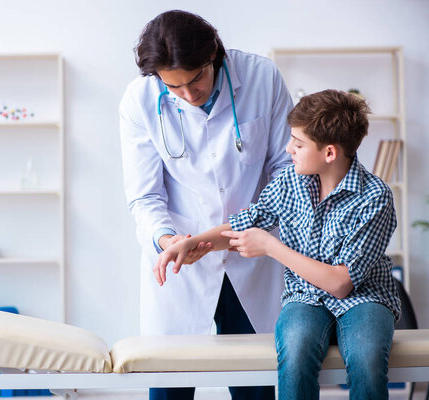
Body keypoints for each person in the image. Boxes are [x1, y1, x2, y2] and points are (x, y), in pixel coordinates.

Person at [156, 89, 402, 400]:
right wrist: (191, 243)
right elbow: (243, 225)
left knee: (366, 357)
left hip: (364, 297)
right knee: (295, 353)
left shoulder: (374, 196)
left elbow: (341, 284)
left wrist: (272, 247)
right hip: (303, 297)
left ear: (329, 153)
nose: (288, 149)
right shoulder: (290, 183)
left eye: (298, 144)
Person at [119, 9, 293, 400]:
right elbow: (145, 195)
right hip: (180, 263)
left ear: (214, 53)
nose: (188, 94)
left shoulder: (261, 78)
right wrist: (166, 241)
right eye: (173, 87)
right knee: (170, 386)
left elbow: (287, 172)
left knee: (257, 386)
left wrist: (230, 233)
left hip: (252, 255)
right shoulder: (139, 99)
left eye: (195, 78)